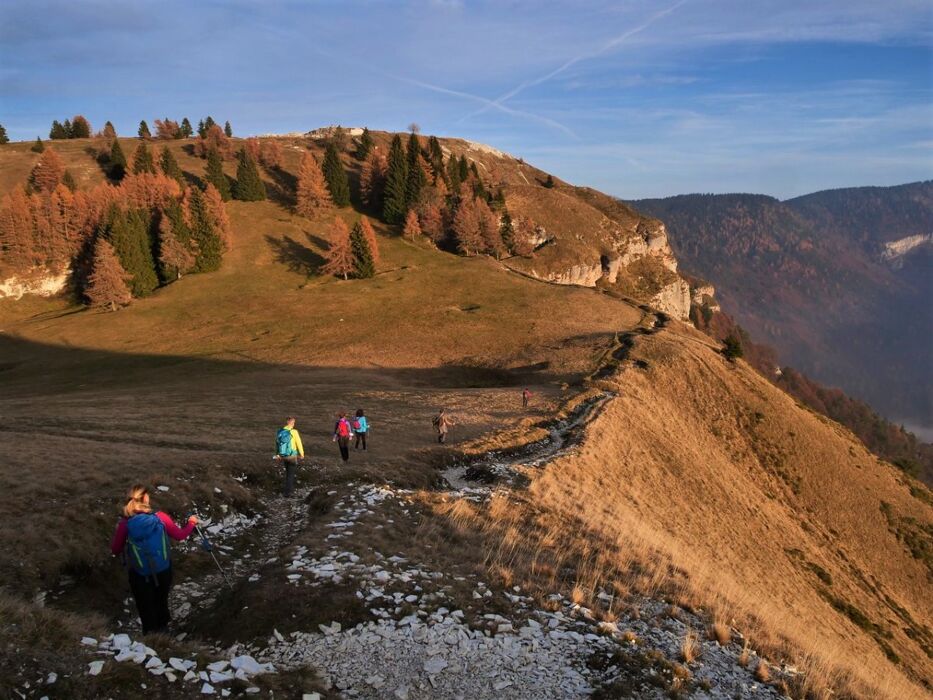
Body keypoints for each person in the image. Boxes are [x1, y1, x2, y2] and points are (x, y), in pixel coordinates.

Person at [110, 484, 198, 635]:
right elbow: (179, 535)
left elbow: (115, 549)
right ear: (145, 498)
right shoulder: (160, 517)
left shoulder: (125, 524)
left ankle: (150, 639)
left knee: (145, 605)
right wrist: (191, 523)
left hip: (139, 574)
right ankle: (164, 632)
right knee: (161, 600)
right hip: (163, 569)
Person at [275, 417, 304, 496]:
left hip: (283, 455)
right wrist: (302, 454)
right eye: (294, 422)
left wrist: (277, 455)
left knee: (287, 473)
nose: (294, 424)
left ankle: (287, 490)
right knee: (291, 474)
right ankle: (288, 493)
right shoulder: (294, 432)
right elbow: (299, 443)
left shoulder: (280, 431)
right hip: (292, 456)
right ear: (291, 423)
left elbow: (277, 444)